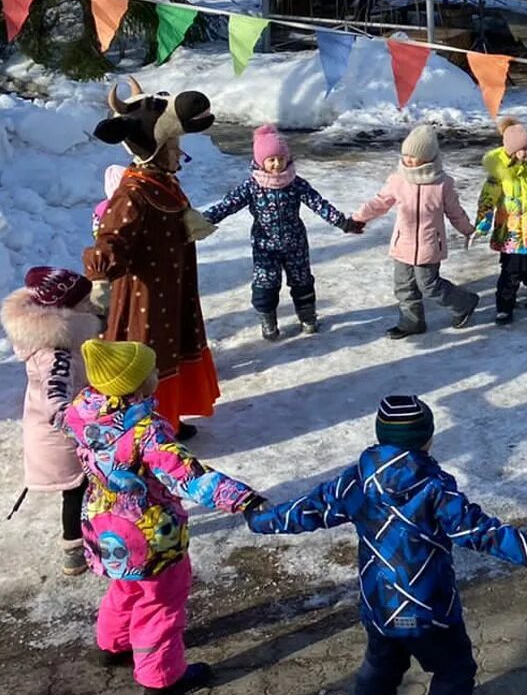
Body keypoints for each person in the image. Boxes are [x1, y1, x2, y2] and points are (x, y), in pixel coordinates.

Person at [244, 395, 527, 695]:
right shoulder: (434, 486)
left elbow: (309, 509)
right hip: (430, 609)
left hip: (380, 606)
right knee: (452, 672)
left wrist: (260, 519)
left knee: (381, 664)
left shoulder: (356, 481)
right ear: (426, 439)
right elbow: (477, 529)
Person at [66, 340, 262, 695]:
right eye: (152, 371)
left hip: (104, 525)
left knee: (124, 588)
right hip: (149, 533)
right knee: (161, 601)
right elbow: (185, 475)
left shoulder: (84, 414)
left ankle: (113, 644)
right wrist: (241, 498)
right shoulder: (146, 430)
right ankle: (161, 678)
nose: (158, 375)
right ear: (137, 386)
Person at [86, 79, 221, 439]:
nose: (179, 154)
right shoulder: (133, 191)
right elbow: (113, 235)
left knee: (172, 348)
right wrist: (101, 274)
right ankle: (145, 428)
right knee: (150, 353)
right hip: (145, 294)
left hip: (172, 286)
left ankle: (170, 416)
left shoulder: (162, 181)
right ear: (155, 149)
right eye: (174, 146)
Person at [201, 125, 360, 339]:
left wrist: (342, 222)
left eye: (280, 158)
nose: (277, 164)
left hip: (295, 243)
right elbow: (228, 204)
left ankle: (307, 317)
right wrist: (205, 220)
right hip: (265, 246)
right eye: (271, 159)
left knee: (302, 281)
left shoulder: (296, 184)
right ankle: (268, 320)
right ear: (260, 161)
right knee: (265, 284)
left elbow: (318, 203)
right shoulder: (251, 186)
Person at [1, 268, 102, 577]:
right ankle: (74, 548)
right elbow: (55, 397)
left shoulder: (48, 336)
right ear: (64, 309)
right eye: (84, 302)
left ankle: (88, 533)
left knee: (82, 487)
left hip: (49, 429)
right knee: (77, 488)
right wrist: (81, 424)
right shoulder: (58, 351)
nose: (90, 306)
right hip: (61, 437)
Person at [353, 125, 481, 339]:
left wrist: (467, 229)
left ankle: (464, 303)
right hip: (402, 243)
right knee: (403, 286)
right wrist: (358, 218)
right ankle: (411, 322)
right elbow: (380, 202)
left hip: (429, 244)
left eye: (416, 156)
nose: (410, 160)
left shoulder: (442, 183)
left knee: (429, 285)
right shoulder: (398, 180)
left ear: (429, 157)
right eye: (406, 155)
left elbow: (454, 212)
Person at [477, 117, 527, 325]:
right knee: (511, 272)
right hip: (511, 233)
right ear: (512, 151)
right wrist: (483, 220)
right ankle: (504, 307)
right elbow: (487, 199)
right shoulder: (500, 174)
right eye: (523, 150)